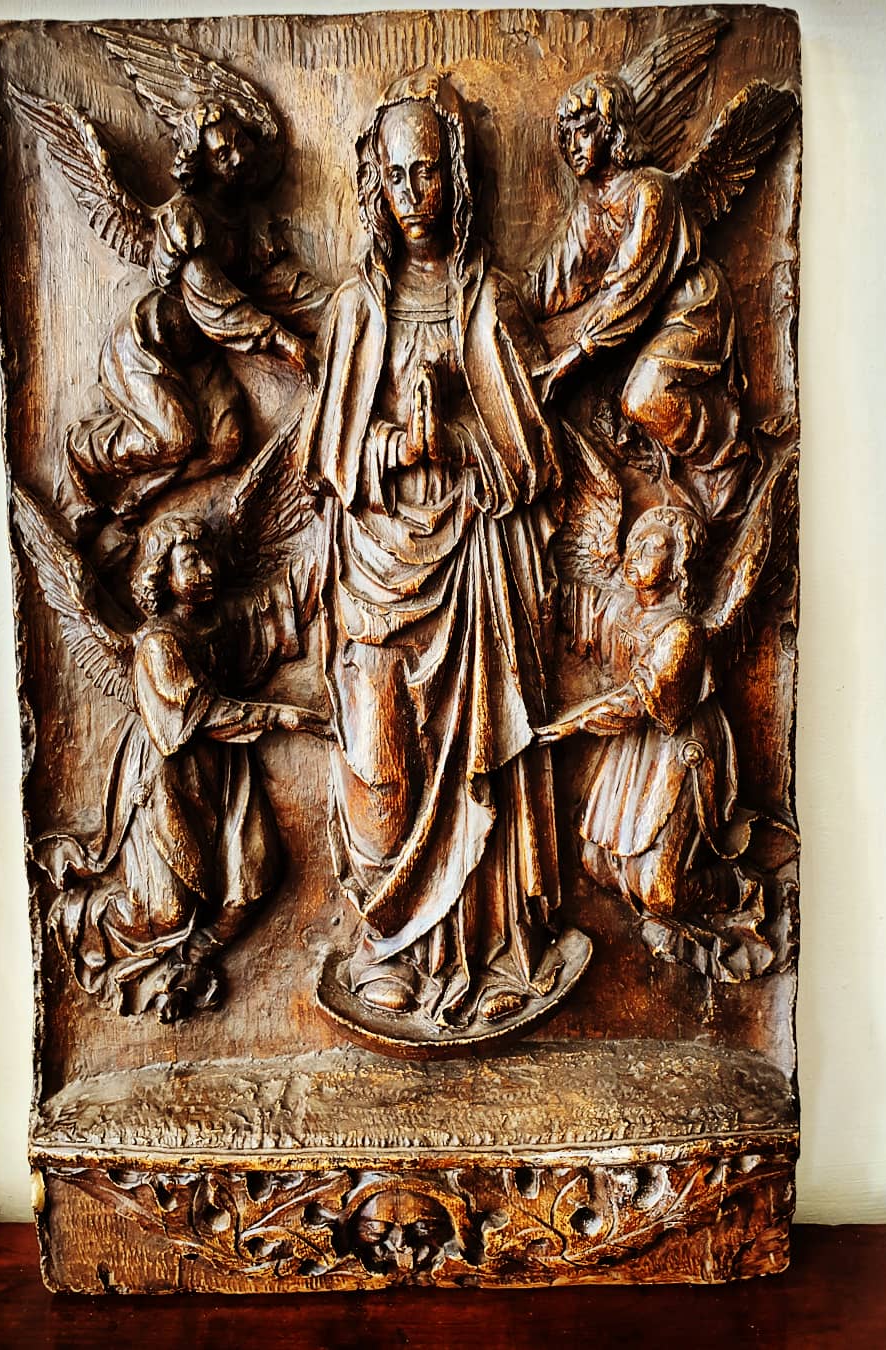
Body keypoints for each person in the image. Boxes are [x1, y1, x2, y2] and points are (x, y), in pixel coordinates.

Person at [299, 71, 567, 1029]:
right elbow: (326, 456)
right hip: (378, 568)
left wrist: (455, 441)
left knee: (466, 766)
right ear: (376, 185)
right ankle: (389, 947)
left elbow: (530, 455)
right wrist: (394, 447)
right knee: (381, 759)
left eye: (430, 172)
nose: (415, 193)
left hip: (469, 569)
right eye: (398, 175)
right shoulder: (356, 310)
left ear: (456, 179)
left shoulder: (486, 302)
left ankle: (471, 952)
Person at [40, 511, 325, 1021]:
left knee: (252, 878)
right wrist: (283, 715)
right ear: (162, 575)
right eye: (190, 560)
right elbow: (195, 713)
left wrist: (329, 548)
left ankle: (190, 961)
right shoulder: (157, 643)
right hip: (167, 776)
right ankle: (83, 919)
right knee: (167, 910)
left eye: (208, 556)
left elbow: (276, 605)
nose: (206, 569)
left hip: (224, 770)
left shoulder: (221, 622)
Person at [66, 102, 326, 517]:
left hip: (198, 355)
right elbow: (214, 307)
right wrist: (287, 344)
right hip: (148, 345)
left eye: (239, 143)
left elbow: (283, 287)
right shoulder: (183, 219)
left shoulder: (246, 220)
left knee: (227, 441)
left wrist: (343, 307)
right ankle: (85, 448)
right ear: (200, 165)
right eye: (222, 154)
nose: (238, 158)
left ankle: (143, 494)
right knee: (176, 437)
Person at [529, 73, 756, 523]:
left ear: (612, 129)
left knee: (643, 399)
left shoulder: (650, 191)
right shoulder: (591, 207)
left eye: (585, 130)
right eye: (567, 135)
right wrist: (503, 303)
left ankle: (726, 464)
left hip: (689, 310)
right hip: (641, 324)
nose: (574, 145)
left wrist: (572, 357)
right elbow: (558, 278)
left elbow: (629, 289)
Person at [537, 505, 749, 918]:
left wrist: (573, 723)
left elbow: (637, 702)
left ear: (678, 564)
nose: (634, 555)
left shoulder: (682, 633)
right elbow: (574, 606)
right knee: (596, 864)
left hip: (674, 747)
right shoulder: (623, 610)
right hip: (632, 750)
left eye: (652, 548)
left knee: (660, 890)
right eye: (634, 544)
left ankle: (739, 891)